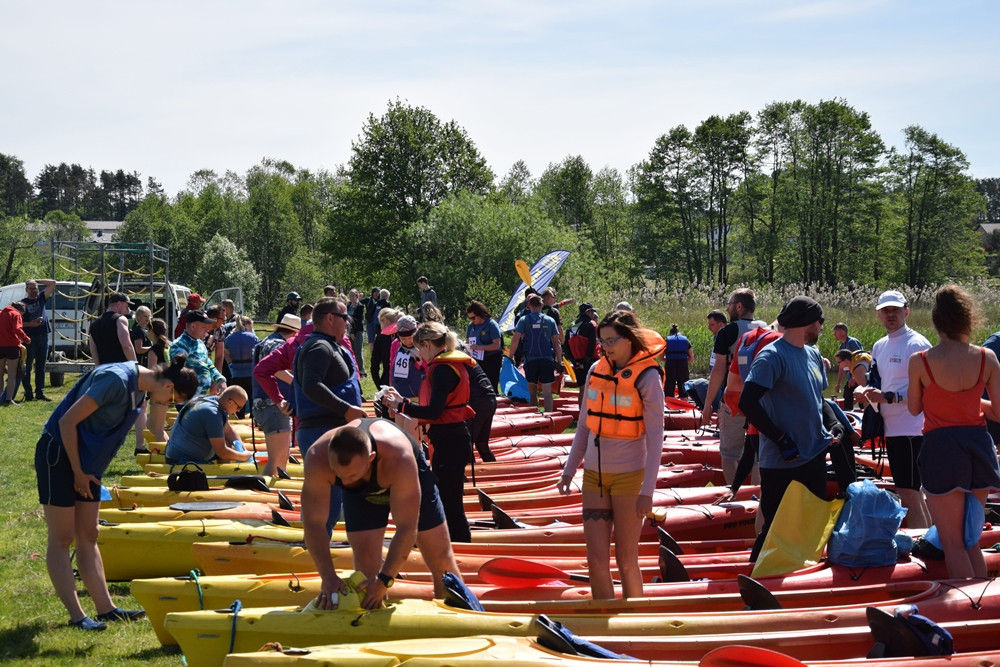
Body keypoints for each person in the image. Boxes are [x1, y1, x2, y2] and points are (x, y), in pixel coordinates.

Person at [35, 356, 197, 630]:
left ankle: (106, 609)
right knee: (62, 538)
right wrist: (77, 472)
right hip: (60, 457)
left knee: (89, 534)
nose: (166, 405)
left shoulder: (140, 389)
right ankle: (77, 617)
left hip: (86, 465)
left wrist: (87, 472)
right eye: (171, 400)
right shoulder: (116, 379)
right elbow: (66, 422)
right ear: (168, 385)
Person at [557, 310, 665, 600]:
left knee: (626, 561)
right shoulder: (595, 371)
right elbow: (583, 426)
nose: (606, 346)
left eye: (612, 340)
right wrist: (569, 470)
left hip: (630, 479)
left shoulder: (648, 377)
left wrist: (648, 492)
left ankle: (636, 624)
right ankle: (604, 619)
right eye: (602, 340)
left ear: (630, 339)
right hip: (594, 476)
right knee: (596, 562)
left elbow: (656, 438)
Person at [303, 418, 462, 609]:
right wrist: (327, 576)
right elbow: (313, 523)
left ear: (370, 458)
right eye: (339, 475)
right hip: (361, 494)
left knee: (441, 561)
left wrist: (386, 578)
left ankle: (461, 617)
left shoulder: (399, 458)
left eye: (351, 476)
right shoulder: (317, 457)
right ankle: (372, 625)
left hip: (407, 478)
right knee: (366, 569)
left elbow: (407, 527)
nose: (344, 483)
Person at [907, 285, 1000, 579]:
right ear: (967, 319)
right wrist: (973, 401)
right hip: (979, 448)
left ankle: (966, 610)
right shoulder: (987, 358)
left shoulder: (920, 361)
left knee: (953, 544)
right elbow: (997, 412)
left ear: (936, 321)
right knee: (971, 542)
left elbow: (914, 408)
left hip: (942, 449)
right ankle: (982, 608)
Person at [738, 296, 832, 562]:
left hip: (813, 456)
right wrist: (780, 439)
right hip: (783, 461)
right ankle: (755, 584)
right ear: (807, 322)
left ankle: (800, 582)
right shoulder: (772, 356)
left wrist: (834, 425)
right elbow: (747, 401)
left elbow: (817, 399)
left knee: (811, 525)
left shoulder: (812, 353)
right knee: (775, 530)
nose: (821, 328)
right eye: (819, 322)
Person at [383, 322, 477, 543]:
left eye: (419, 349)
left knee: (450, 502)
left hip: (450, 441)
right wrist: (403, 402)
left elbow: (434, 411)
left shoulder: (443, 370)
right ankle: (452, 545)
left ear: (426, 344)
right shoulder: (443, 365)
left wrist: (401, 406)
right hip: (450, 439)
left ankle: (460, 549)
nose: (419, 355)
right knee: (448, 499)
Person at [858, 290, 932, 528]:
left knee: (909, 492)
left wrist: (889, 398)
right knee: (911, 491)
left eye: (896, 310)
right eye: (886, 311)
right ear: (879, 315)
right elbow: (879, 383)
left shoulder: (917, 343)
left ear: (906, 312)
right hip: (892, 428)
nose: (891, 315)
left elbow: (927, 389)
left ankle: (925, 547)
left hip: (913, 428)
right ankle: (930, 540)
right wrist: (866, 392)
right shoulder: (879, 346)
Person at [293, 297, 366, 534]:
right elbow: (311, 386)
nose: (348, 322)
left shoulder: (325, 346)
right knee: (327, 505)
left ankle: (317, 550)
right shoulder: (319, 347)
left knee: (332, 504)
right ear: (330, 318)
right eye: (345, 317)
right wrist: (347, 410)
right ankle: (315, 556)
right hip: (322, 431)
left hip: (327, 430)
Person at [701, 289, 757, 485]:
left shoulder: (728, 331)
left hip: (734, 401)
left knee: (728, 454)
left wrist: (707, 405)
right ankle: (756, 500)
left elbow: (717, 372)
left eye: (730, 304)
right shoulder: (767, 330)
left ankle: (734, 495)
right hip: (761, 401)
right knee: (758, 455)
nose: (727, 308)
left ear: (739, 306)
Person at [250, 314, 300, 476]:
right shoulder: (278, 345)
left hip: (265, 405)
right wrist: (297, 383)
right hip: (273, 406)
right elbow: (275, 370)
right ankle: (269, 496)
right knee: (277, 460)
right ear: (294, 333)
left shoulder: (265, 342)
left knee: (280, 458)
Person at [164, 386, 253, 464]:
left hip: (175, 452)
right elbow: (222, 452)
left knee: (226, 441)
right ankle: (225, 475)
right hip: (181, 459)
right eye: (239, 407)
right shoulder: (212, 413)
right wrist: (245, 457)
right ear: (230, 402)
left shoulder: (212, 401)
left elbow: (230, 432)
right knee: (226, 445)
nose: (238, 411)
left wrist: (243, 449)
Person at [508, 293, 562, 413]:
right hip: (547, 360)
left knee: (532, 391)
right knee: (547, 392)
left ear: (529, 305)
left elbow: (515, 339)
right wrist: (560, 361)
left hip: (530, 360)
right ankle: (549, 417)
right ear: (542, 305)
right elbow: (556, 342)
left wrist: (510, 356)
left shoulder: (524, 320)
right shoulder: (550, 320)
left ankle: (535, 416)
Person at [171, 310, 227, 397]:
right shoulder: (180, 345)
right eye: (204, 327)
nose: (207, 330)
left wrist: (220, 379)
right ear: (193, 327)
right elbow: (177, 373)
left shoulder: (200, 343)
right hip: (187, 399)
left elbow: (209, 364)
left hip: (202, 397)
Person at [20, 278, 56, 402]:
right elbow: (18, 324)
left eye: (35, 288)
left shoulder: (41, 298)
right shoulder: (22, 303)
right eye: (31, 288)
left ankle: (40, 393)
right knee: (27, 367)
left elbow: (52, 283)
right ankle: (29, 394)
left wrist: (36, 280)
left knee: (41, 367)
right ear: (26, 290)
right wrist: (31, 324)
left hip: (43, 336)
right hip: (29, 339)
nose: (34, 290)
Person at [144, 318, 173, 443]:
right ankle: (168, 448)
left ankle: (170, 450)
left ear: (151, 331)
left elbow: (152, 373)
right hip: (170, 388)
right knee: (151, 424)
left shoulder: (154, 350)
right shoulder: (169, 346)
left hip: (159, 390)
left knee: (157, 428)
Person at [88, 293, 137, 366]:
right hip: (120, 368)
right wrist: (135, 365)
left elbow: (93, 349)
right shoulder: (120, 319)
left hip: (104, 369)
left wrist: (98, 367)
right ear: (118, 304)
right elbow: (126, 346)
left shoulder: (95, 323)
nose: (127, 310)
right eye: (126, 306)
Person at [465, 300, 503, 394]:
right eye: (470, 318)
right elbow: (468, 342)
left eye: (473, 318)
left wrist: (479, 347)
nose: (472, 320)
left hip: (492, 359)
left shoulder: (491, 324)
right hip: (477, 359)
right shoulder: (471, 326)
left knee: (491, 384)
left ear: (480, 314)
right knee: (477, 384)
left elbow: (496, 345)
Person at [225, 315, 259, 419]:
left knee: (238, 402)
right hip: (250, 375)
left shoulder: (229, 338)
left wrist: (231, 364)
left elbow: (226, 353)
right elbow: (259, 353)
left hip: (236, 374)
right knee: (253, 400)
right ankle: (254, 420)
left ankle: (239, 420)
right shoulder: (253, 338)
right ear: (247, 325)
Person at [130, 306, 153, 454]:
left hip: (143, 369)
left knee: (142, 404)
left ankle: (141, 443)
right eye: (145, 316)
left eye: (149, 316)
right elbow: (138, 349)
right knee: (140, 405)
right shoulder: (137, 331)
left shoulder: (145, 330)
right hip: (139, 369)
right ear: (138, 317)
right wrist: (153, 348)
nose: (148, 318)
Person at [388, 315, 424, 401]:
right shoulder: (395, 344)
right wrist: (391, 385)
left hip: (420, 395)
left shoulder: (424, 345)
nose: (408, 341)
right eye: (403, 339)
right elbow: (392, 366)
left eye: (411, 338)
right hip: (401, 395)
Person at [0, 301, 30, 405]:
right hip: (12, 346)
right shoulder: (16, 314)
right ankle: (8, 399)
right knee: (12, 374)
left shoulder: (1, 313)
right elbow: (17, 329)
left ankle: (0, 398)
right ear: (21, 310)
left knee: (0, 375)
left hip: (0, 346)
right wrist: (26, 339)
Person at [833, 323, 864, 407]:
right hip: (851, 376)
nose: (834, 334)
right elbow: (841, 366)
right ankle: (848, 415)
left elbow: (860, 360)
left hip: (859, 376)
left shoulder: (852, 342)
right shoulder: (842, 346)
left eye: (836, 332)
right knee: (847, 396)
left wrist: (854, 378)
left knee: (862, 399)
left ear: (842, 332)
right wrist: (838, 383)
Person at [370, 308, 402, 388]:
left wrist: (379, 386)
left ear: (385, 320)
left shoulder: (381, 338)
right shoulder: (405, 333)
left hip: (388, 379)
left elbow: (374, 366)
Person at [662, 323, 693, 398]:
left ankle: (668, 401)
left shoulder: (666, 341)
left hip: (670, 364)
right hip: (682, 365)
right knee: (684, 384)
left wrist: (670, 359)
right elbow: (691, 358)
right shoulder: (686, 341)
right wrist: (683, 360)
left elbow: (662, 358)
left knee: (669, 383)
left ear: (670, 333)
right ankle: (685, 399)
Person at [347, 289, 367, 378]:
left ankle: (362, 371)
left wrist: (353, 332)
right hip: (349, 331)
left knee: (358, 351)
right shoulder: (348, 307)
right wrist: (350, 332)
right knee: (351, 351)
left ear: (357, 296)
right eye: (350, 295)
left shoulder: (360, 307)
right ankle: (354, 370)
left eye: (353, 295)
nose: (352, 297)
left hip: (358, 331)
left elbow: (358, 321)